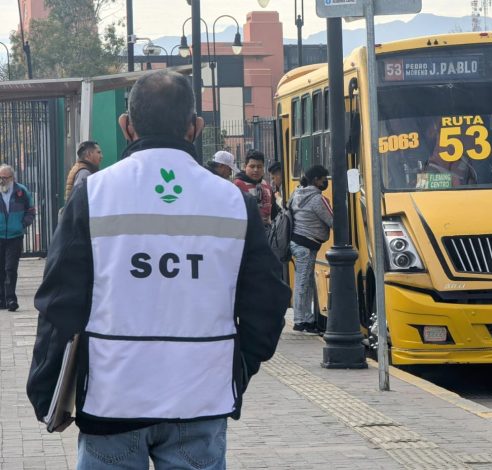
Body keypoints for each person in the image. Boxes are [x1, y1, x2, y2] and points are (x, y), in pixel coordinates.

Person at [26, 70, 290, 470]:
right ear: (196, 128)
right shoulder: (233, 203)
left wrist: (45, 389)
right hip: (200, 399)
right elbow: (269, 300)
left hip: (112, 400)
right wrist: (236, 367)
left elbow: (60, 303)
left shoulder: (93, 196)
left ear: (126, 126)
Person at [289, 165, 333, 334]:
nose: (325, 182)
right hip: (306, 245)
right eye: (324, 179)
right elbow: (332, 220)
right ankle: (301, 321)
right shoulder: (317, 199)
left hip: (297, 242)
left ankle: (306, 319)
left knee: (305, 282)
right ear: (316, 179)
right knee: (303, 283)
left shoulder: (296, 193)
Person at [0, 164, 35, 312]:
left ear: (12, 177)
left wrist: (23, 224)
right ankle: (2, 299)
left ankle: (11, 299)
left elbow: (31, 210)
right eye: (0, 177)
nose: (2, 180)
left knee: (10, 268)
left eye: (5, 177)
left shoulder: (22, 191)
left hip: (15, 236)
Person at [234, 149, 272, 226]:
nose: (256, 170)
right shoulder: (238, 185)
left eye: (259, 166)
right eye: (252, 166)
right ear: (245, 167)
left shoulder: (266, 185)